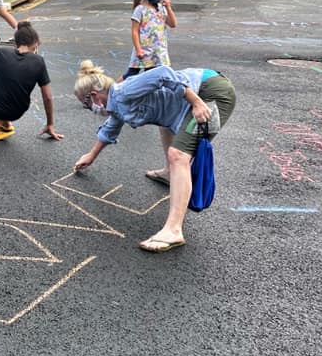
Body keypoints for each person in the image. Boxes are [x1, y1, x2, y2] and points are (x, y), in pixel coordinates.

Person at [72, 62, 236, 253]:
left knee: (179, 155)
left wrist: (197, 102)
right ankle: (168, 173)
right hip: (190, 99)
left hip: (211, 93)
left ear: (94, 97)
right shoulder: (116, 104)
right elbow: (111, 127)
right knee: (163, 123)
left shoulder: (124, 91)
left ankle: (173, 230)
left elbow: (163, 73)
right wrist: (91, 156)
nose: (89, 109)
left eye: (86, 105)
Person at [120, 0, 177, 81]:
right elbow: (135, 31)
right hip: (144, 50)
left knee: (160, 75)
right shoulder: (140, 10)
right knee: (131, 74)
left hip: (159, 51)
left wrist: (168, 8)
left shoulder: (161, 8)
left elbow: (173, 24)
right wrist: (138, 49)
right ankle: (111, 92)